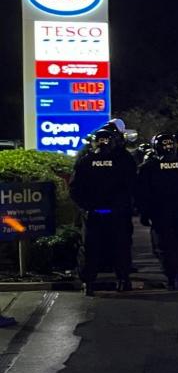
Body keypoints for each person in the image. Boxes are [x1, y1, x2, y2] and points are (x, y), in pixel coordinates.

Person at [69, 123, 138, 295]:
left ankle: (89, 283)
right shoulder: (124, 160)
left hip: (93, 214)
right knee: (121, 246)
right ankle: (123, 280)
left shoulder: (85, 161)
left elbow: (74, 188)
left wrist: (85, 208)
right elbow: (134, 185)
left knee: (90, 248)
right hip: (118, 214)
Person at [136, 132, 178, 289]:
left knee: (166, 247)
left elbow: (142, 194)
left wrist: (145, 214)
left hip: (161, 215)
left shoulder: (149, 168)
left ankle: (173, 278)